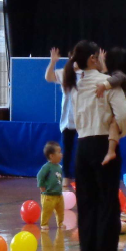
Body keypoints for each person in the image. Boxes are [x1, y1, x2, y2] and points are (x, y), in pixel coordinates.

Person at [71, 40, 126, 251]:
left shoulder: (74, 83)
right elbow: (122, 114)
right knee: (107, 203)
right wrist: (121, 132)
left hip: (82, 146)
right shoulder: (108, 84)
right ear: (95, 59)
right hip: (103, 144)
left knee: (86, 203)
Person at [96, 47, 126, 166]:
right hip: (123, 107)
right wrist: (103, 61)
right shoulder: (113, 74)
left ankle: (111, 151)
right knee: (113, 127)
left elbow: (114, 79)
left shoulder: (119, 75)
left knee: (114, 125)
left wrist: (104, 86)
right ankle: (112, 148)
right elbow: (104, 74)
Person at [46, 46, 78, 180]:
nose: (74, 62)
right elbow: (48, 77)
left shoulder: (87, 75)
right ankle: (66, 179)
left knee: (83, 152)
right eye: (72, 59)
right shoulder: (65, 73)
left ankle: (82, 178)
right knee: (67, 151)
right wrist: (53, 62)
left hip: (84, 121)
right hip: (67, 121)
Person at [37, 141, 65, 229]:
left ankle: (60, 223)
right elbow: (40, 176)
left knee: (60, 211)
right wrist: (42, 186)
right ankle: (44, 224)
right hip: (48, 195)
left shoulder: (59, 167)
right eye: (59, 152)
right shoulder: (47, 167)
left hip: (58, 195)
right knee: (47, 210)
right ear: (51, 156)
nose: (61, 154)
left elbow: (59, 179)